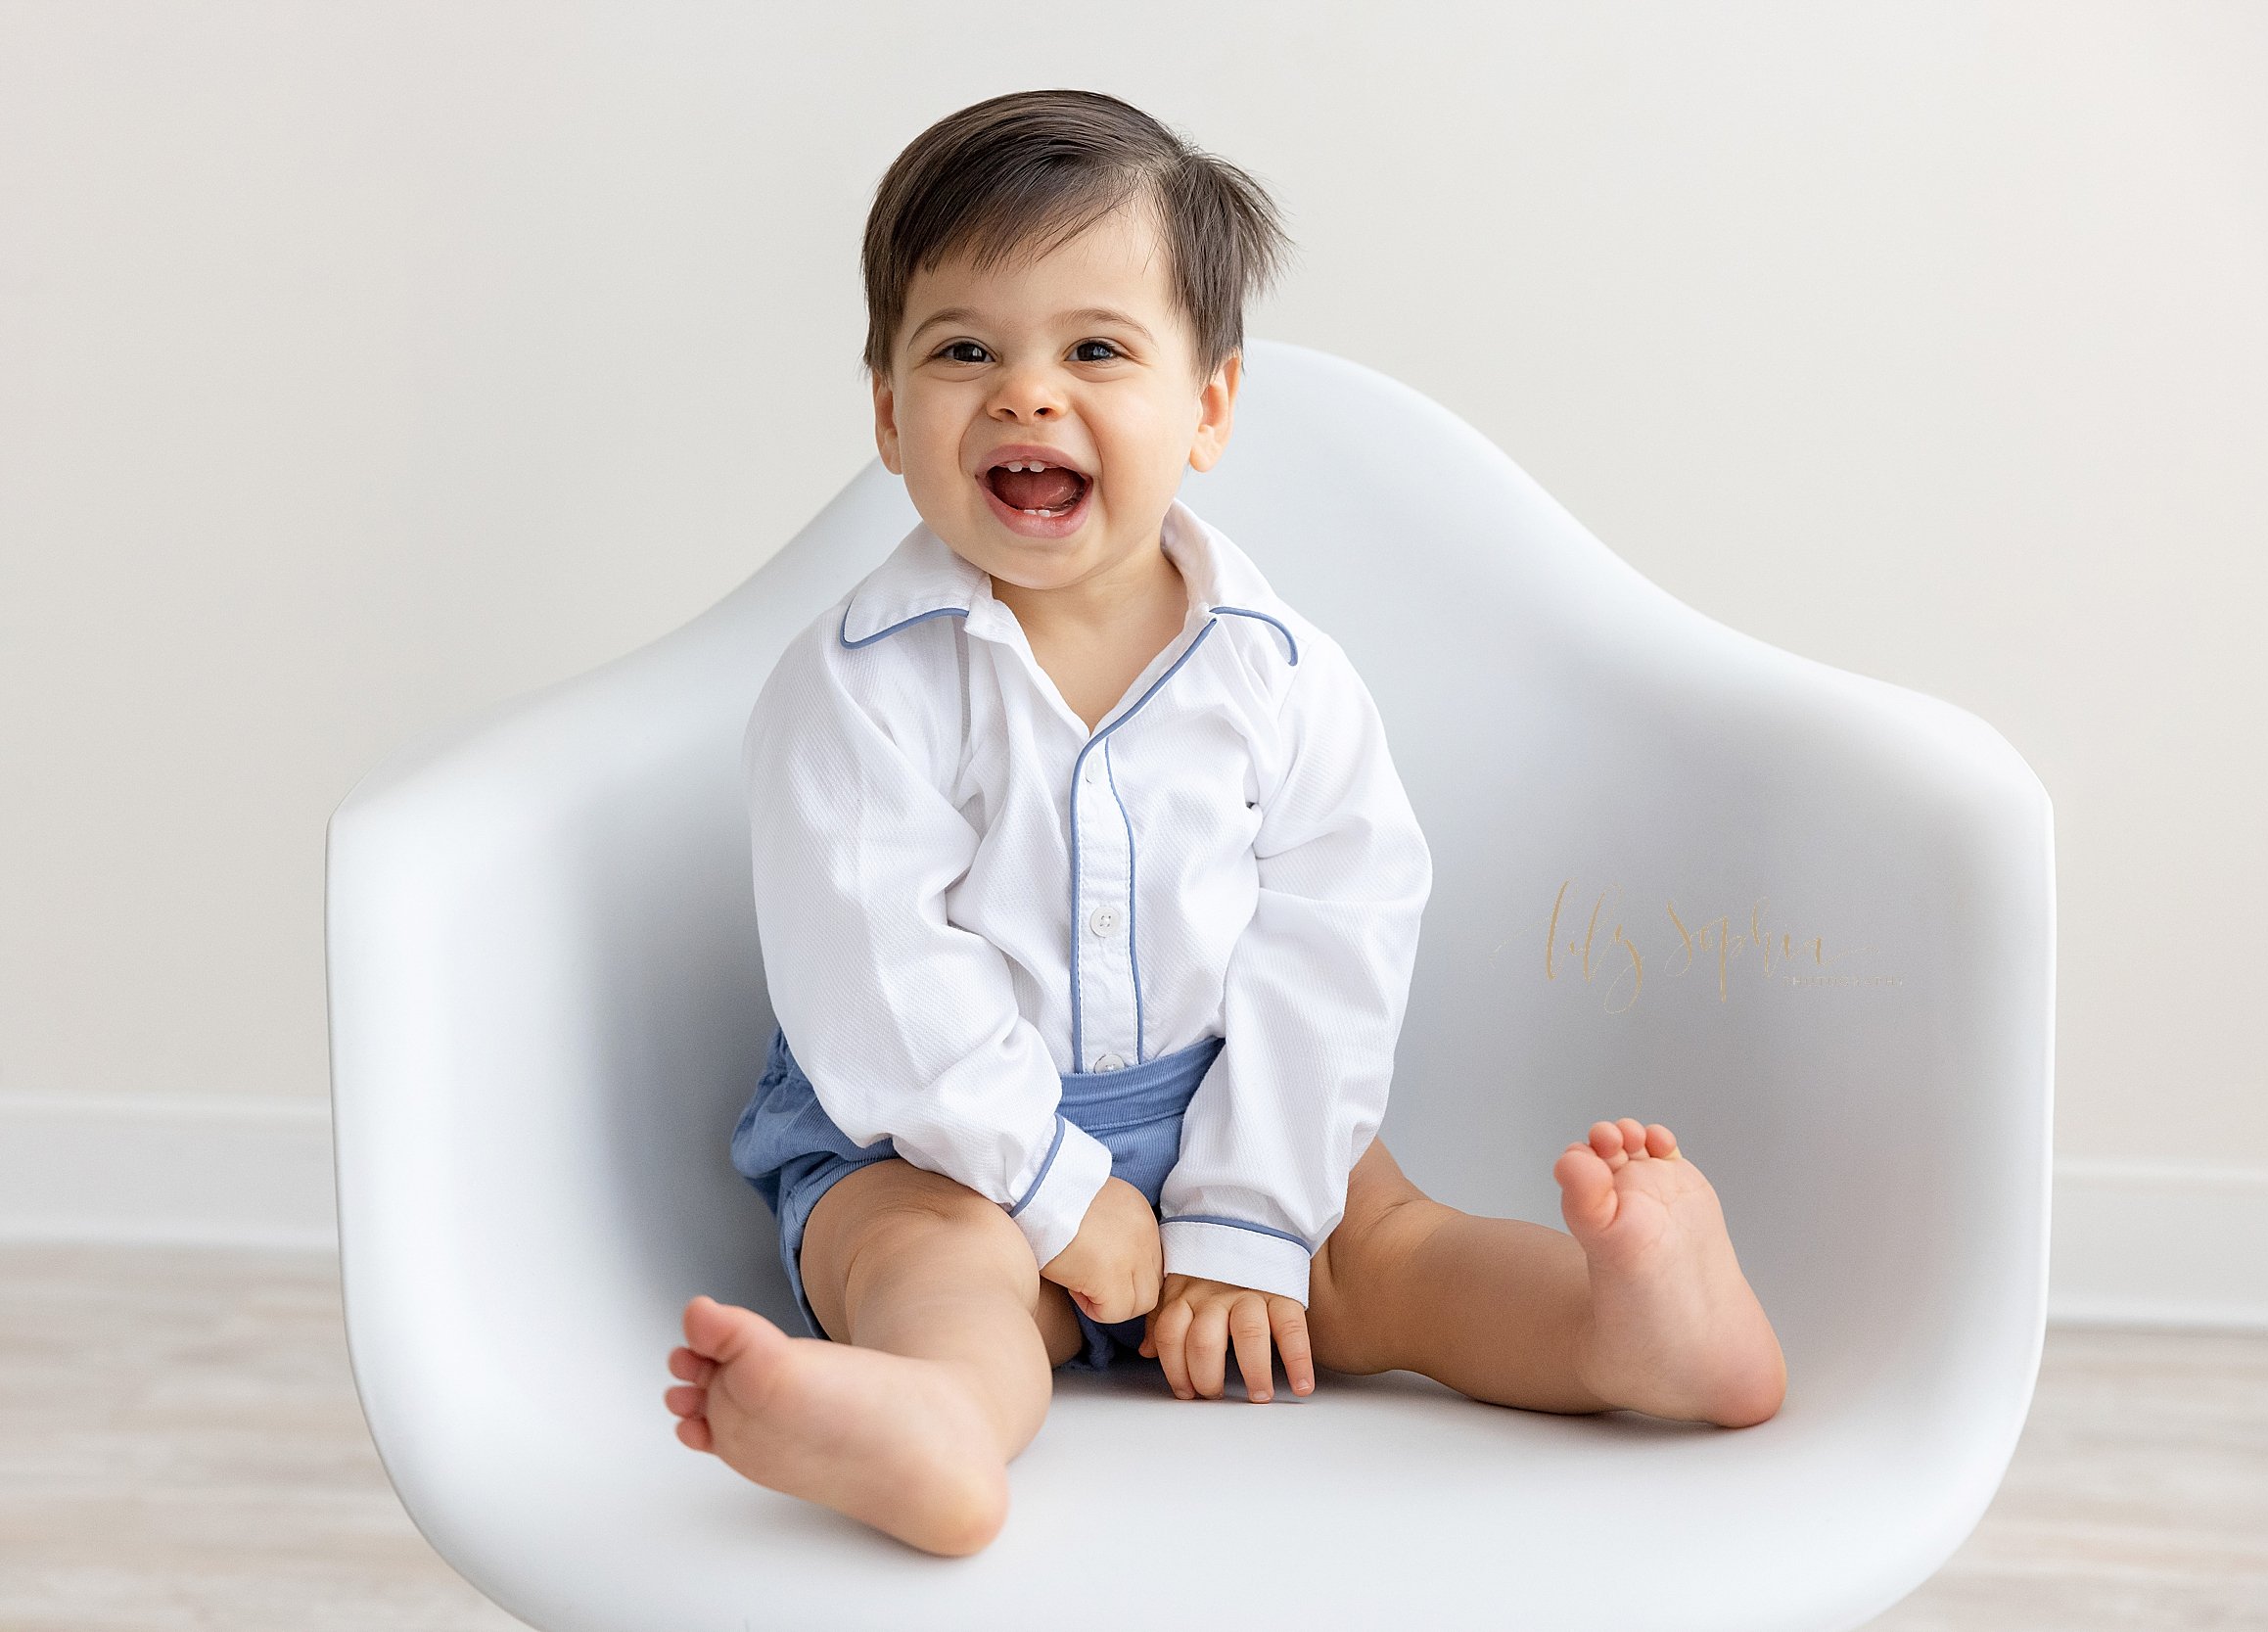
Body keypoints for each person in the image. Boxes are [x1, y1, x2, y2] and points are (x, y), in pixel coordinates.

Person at [663, 87, 1785, 1558]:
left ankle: (1623, 1332)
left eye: (1096, 350)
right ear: (888, 414)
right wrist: (1056, 1196)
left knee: (1384, 1250)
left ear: (1208, 408)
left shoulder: (1282, 677)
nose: (1026, 394)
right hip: (936, 1137)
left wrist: (1249, 1220)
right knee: (934, 1265)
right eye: (962, 352)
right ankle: (935, 1416)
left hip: (1224, 1104)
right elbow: (877, 983)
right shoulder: (859, 685)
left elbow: (1337, 937)